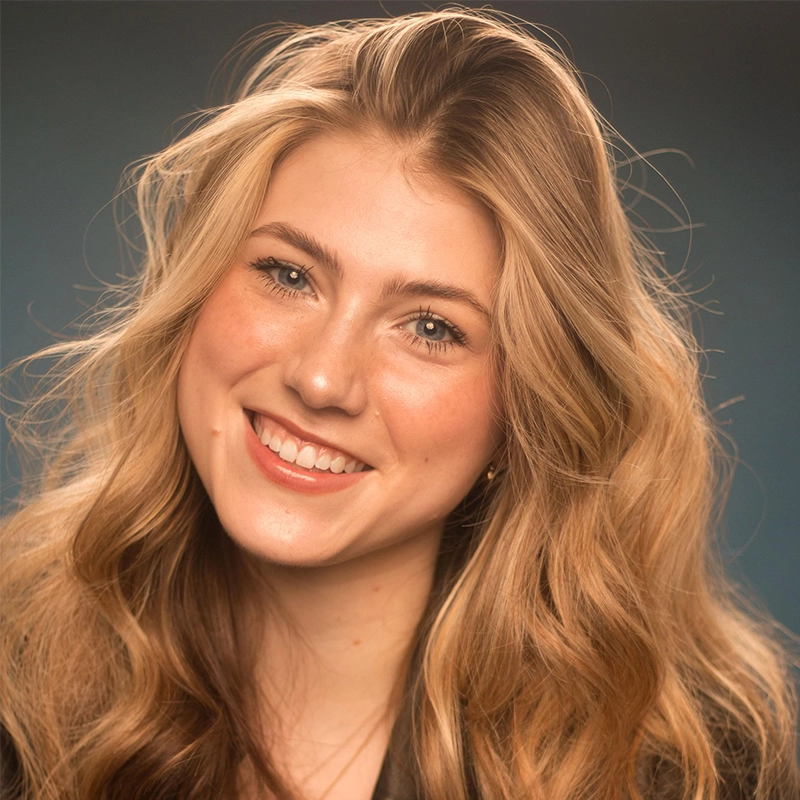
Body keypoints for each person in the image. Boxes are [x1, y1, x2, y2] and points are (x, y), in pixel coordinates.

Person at [1, 8, 798, 800]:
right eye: (288, 274)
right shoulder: (14, 681)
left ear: (531, 407)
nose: (321, 380)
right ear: (193, 285)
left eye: (430, 327)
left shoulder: (699, 770)